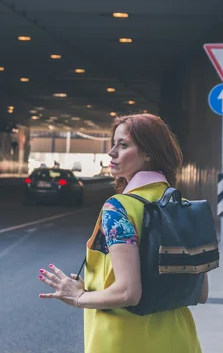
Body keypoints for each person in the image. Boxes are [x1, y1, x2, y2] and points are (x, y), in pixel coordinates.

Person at [38, 113, 208, 352]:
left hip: (124, 341)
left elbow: (129, 292)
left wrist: (77, 297)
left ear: (149, 153)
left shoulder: (118, 208)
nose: (111, 152)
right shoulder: (184, 208)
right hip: (180, 339)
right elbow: (201, 293)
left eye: (123, 145)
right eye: (113, 144)